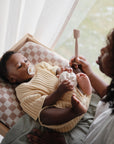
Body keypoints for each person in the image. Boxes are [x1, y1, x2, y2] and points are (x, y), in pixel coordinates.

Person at [27, 28, 114, 144]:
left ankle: (74, 111)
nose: (102, 49)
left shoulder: (110, 126)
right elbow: (108, 94)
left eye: (108, 49)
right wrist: (89, 73)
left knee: (44, 115)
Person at [0, 51, 91, 133]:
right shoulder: (22, 89)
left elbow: (56, 70)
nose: (26, 64)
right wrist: (59, 92)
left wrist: (64, 70)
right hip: (63, 113)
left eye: (26, 60)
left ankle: (85, 90)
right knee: (43, 116)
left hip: (73, 93)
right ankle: (74, 111)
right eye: (19, 66)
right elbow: (41, 103)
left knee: (75, 73)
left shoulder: (41, 66)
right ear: (12, 79)